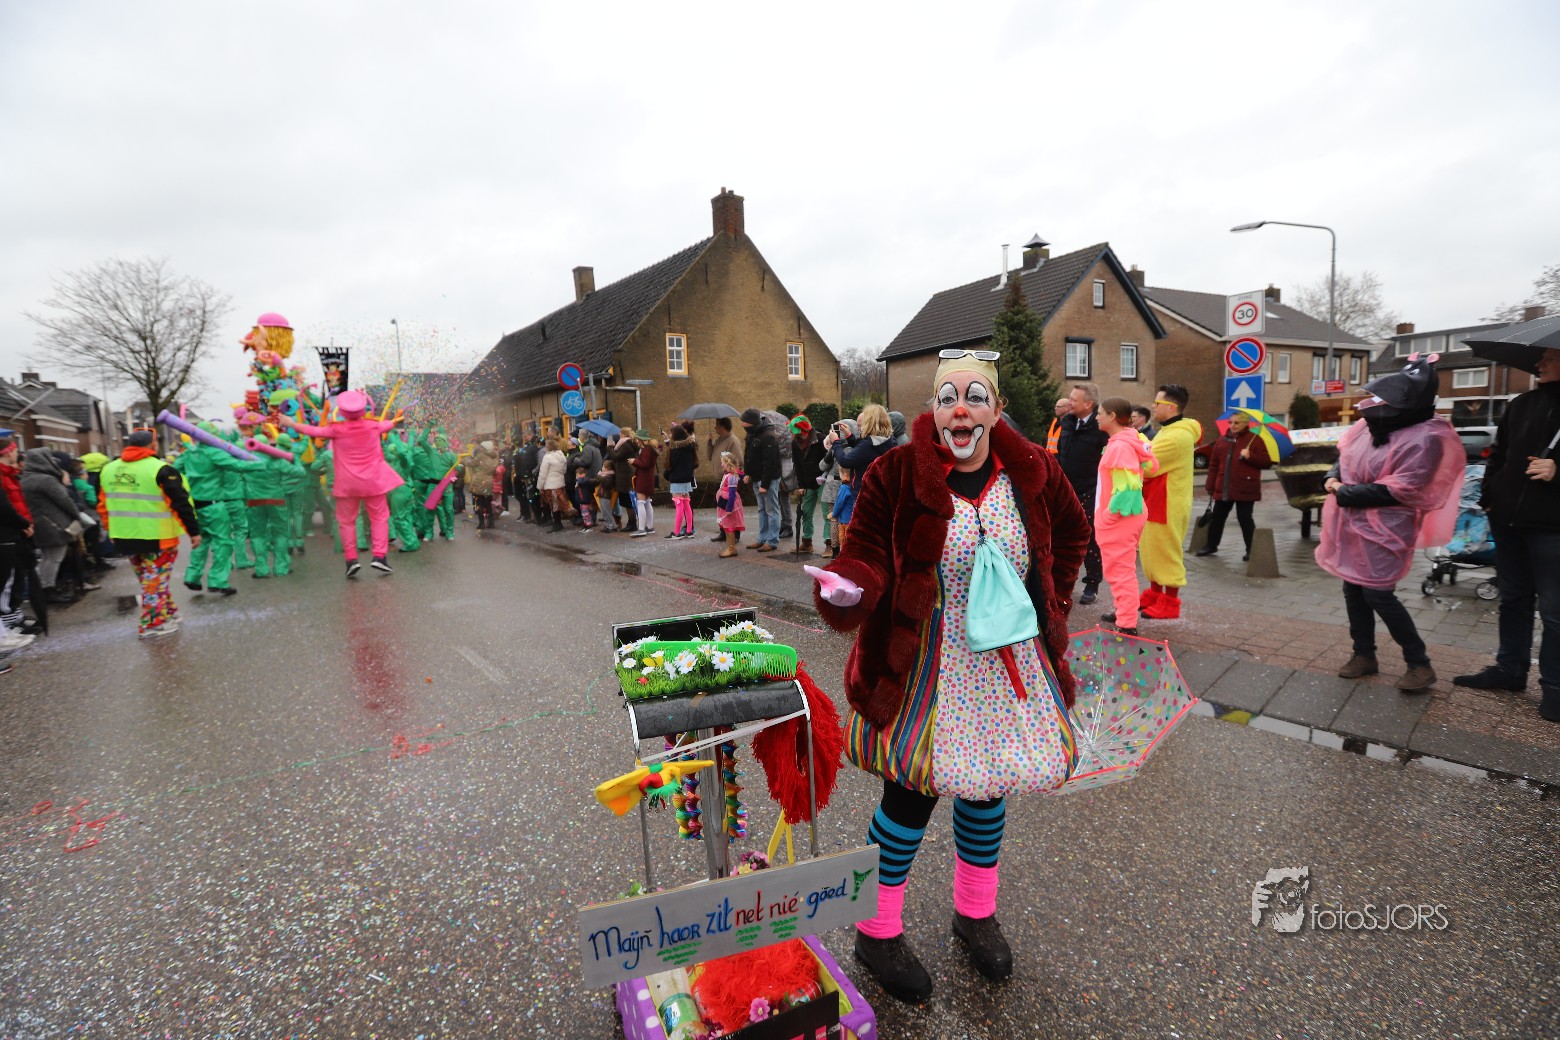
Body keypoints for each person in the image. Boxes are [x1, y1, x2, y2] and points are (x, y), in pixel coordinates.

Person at [805, 351, 1090, 1002]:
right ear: (933, 410)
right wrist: (850, 588)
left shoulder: (1034, 469)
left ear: (995, 409)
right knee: (909, 798)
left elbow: (1073, 534)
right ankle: (876, 932)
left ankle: (975, 914)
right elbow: (866, 551)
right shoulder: (897, 472)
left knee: (987, 792)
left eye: (974, 396)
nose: (960, 409)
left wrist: (1053, 602)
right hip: (924, 659)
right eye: (947, 398)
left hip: (1006, 662)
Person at [1317, 354, 1463, 694]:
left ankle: (1419, 664)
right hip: (1352, 523)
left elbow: (1404, 487)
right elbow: (1344, 456)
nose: (1376, 405)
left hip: (1387, 528)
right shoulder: (1369, 427)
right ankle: (1364, 654)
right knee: (1353, 589)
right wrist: (1331, 477)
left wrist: (1343, 491)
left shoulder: (1426, 437)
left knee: (1378, 594)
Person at [1454, 346, 1560, 719]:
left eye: (1549, 358)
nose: (1539, 364)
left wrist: (1558, 470)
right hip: (1508, 522)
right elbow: (1498, 455)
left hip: (1552, 529)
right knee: (1513, 600)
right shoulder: (1522, 404)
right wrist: (1490, 497)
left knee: (1554, 611)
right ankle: (1510, 670)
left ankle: (1555, 687)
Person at [280, 388, 403, 577]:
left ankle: (351, 560)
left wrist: (291, 423)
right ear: (363, 410)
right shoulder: (373, 426)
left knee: (346, 522)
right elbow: (389, 424)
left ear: (342, 411)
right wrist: (388, 414)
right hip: (373, 482)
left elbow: (312, 430)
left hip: (347, 484)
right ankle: (379, 556)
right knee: (379, 518)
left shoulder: (336, 429)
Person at [97, 429, 202, 637]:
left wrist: (110, 529)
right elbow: (180, 503)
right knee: (154, 580)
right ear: (153, 445)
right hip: (157, 537)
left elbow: (103, 505)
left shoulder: (108, 470)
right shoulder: (161, 469)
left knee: (151, 580)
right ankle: (152, 623)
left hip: (124, 535)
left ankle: (168, 612)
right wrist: (193, 532)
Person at [1139, 384, 1203, 619]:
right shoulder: (1169, 430)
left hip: (1167, 502)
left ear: (1171, 407)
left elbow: (1148, 466)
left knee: (1166, 551)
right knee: (1151, 548)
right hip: (1157, 498)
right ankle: (1156, 592)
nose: (1153, 407)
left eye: (1158, 403)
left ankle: (1171, 601)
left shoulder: (1177, 436)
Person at [1093, 398, 1156, 635]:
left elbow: (1128, 489)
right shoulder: (1131, 439)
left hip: (1121, 516)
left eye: (1100, 413)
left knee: (1120, 571)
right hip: (1128, 515)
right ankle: (1124, 610)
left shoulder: (1120, 446)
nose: (1097, 417)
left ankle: (1127, 623)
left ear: (1112, 416)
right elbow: (1151, 466)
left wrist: (1108, 517)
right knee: (1120, 569)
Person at [173, 422, 248, 596]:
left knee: (201, 540)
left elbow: (173, 470)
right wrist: (260, 464)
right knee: (223, 542)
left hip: (196, 505)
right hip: (214, 505)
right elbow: (238, 466)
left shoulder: (189, 454)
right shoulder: (216, 453)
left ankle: (192, 576)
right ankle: (218, 581)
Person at [1055, 383, 1108, 605]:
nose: (1069, 403)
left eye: (1074, 400)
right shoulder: (1067, 423)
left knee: (1090, 538)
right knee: (1062, 537)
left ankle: (1092, 583)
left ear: (1088, 404)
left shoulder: (1101, 428)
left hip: (1090, 490)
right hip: (1066, 490)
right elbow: (1061, 453)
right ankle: (1062, 581)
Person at [1196, 412, 1272, 561]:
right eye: (1231, 422)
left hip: (1245, 487)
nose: (1233, 425)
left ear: (1245, 424)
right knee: (1218, 517)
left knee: (1244, 518)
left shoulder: (1255, 440)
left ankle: (1251, 549)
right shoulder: (1222, 441)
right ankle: (1211, 545)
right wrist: (1210, 484)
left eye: (1237, 423)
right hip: (1224, 487)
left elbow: (1267, 462)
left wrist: (1250, 456)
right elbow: (1214, 465)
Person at [19, 448, 81, 605]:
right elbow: (64, 500)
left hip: (40, 523)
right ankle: (47, 589)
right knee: (54, 558)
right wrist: (77, 515)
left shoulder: (26, 478)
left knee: (47, 557)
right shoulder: (45, 480)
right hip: (53, 524)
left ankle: (44, 588)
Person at [740, 409, 782, 551]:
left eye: (743, 422)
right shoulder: (751, 434)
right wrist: (747, 473)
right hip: (756, 478)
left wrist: (764, 484)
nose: (742, 424)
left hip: (768, 480)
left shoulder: (768, 436)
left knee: (771, 510)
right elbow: (748, 455)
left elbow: (770, 463)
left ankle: (772, 541)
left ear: (751, 422)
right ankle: (762, 538)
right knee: (762, 510)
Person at [790, 415, 827, 553]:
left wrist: (826, 477)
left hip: (823, 481)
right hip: (807, 483)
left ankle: (829, 544)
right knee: (805, 513)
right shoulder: (795, 443)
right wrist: (801, 485)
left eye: (795, 432)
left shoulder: (821, 439)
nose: (794, 435)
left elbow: (829, 459)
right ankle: (807, 543)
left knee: (827, 514)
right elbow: (797, 465)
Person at [663, 423, 698, 539]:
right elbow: (694, 463)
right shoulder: (690, 447)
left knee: (679, 506)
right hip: (687, 479)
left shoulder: (674, 450)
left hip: (677, 480)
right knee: (687, 505)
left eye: (671, 433)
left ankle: (677, 532)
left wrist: (667, 475)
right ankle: (689, 530)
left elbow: (670, 466)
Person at [715, 451, 745, 557]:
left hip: (728, 503)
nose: (721, 464)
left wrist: (729, 507)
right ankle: (730, 547)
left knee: (729, 526)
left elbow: (732, 494)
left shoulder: (732, 477)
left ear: (728, 463)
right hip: (724, 502)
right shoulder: (727, 474)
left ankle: (731, 548)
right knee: (726, 525)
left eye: (723, 462)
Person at [630, 431, 659, 537]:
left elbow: (645, 464)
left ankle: (641, 529)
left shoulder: (646, 450)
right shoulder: (651, 449)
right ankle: (649, 527)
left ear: (641, 439)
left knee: (640, 502)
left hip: (643, 479)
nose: (636, 441)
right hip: (648, 478)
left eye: (637, 439)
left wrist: (634, 461)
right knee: (647, 502)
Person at [465, 441, 499, 530]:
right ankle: (491, 523)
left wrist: (464, 459)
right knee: (488, 503)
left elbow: (470, 463)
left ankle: (481, 523)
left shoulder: (481, 456)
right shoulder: (495, 457)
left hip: (479, 481)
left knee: (478, 503)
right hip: (488, 481)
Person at [536, 436, 568, 532]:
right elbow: (564, 470)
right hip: (560, 484)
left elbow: (543, 473)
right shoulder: (562, 456)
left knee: (553, 505)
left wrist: (540, 486)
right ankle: (558, 523)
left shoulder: (547, 457)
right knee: (557, 504)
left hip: (550, 485)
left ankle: (556, 524)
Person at [612, 428, 640, 532]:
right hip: (625, 476)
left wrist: (610, 447)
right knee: (628, 501)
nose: (619, 436)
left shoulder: (626, 445)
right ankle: (631, 522)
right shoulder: (628, 444)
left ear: (624, 434)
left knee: (628, 501)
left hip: (625, 477)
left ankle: (632, 523)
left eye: (620, 435)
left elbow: (616, 457)